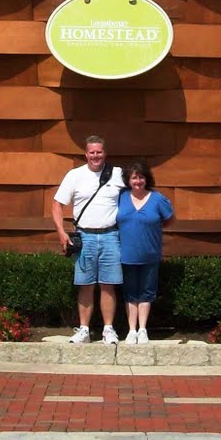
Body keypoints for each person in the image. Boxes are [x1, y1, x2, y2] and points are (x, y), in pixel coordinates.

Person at [51, 134, 125, 345]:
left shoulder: (118, 174)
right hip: (84, 236)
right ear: (86, 154)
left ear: (105, 153)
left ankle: (108, 329)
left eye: (99, 152)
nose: (95, 156)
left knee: (108, 284)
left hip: (111, 235)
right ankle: (84, 329)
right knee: (85, 285)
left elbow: (138, 189)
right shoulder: (75, 175)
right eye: (91, 152)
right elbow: (57, 204)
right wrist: (61, 232)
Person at [115, 159, 174, 344]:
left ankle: (143, 329)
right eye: (134, 178)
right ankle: (131, 330)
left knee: (147, 292)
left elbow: (170, 219)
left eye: (141, 177)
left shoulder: (157, 199)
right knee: (130, 293)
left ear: (147, 179)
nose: (138, 181)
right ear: (128, 180)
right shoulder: (121, 197)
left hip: (150, 254)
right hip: (126, 255)